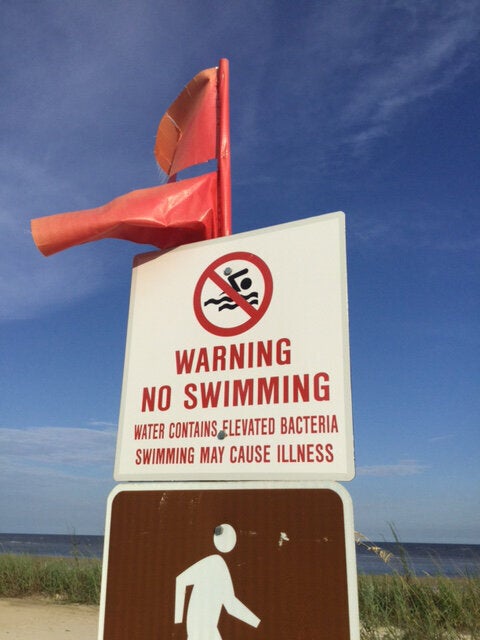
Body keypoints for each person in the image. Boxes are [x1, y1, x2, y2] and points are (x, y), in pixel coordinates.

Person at [174, 524, 260, 639]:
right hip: (199, 630)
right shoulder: (215, 563)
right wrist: (178, 620)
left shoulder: (220, 566)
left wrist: (256, 622)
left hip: (208, 630)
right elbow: (181, 580)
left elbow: (230, 604)